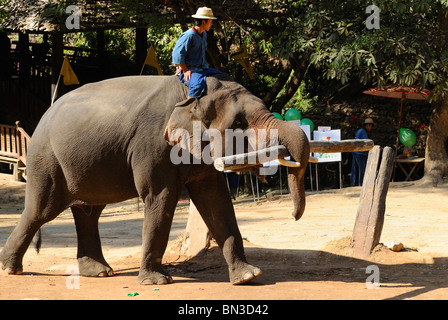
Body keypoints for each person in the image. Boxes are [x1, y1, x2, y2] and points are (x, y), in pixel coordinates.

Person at [172, 7, 222, 100]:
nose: (211, 24)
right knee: (197, 86)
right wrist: (185, 70)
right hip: (189, 70)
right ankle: (187, 110)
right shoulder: (188, 35)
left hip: (202, 68)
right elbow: (177, 54)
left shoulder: (204, 34)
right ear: (203, 22)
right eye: (210, 21)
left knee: (222, 76)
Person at [351, 118, 374, 186]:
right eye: (371, 126)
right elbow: (366, 144)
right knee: (362, 170)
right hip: (360, 154)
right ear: (369, 125)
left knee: (355, 169)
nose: (371, 128)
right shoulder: (363, 132)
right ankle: (361, 184)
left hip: (355, 152)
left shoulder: (358, 131)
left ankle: (354, 183)